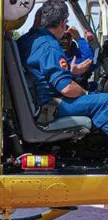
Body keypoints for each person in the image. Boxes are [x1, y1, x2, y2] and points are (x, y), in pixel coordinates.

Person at [18, 0, 108, 136]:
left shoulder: (27, 39)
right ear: (63, 22)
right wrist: (86, 93)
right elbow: (66, 88)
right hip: (52, 105)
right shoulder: (50, 46)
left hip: (43, 103)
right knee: (105, 101)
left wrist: (70, 72)